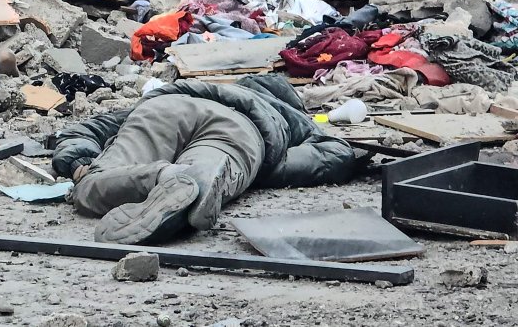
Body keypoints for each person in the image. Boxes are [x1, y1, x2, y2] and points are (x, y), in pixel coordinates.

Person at [51, 76, 360, 245]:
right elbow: (335, 153)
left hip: (170, 106)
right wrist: (265, 169)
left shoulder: (200, 86)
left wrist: (79, 161)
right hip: (240, 131)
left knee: (91, 185)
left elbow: (83, 129)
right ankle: (194, 180)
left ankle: (161, 177)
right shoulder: (285, 114)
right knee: (206, 178)